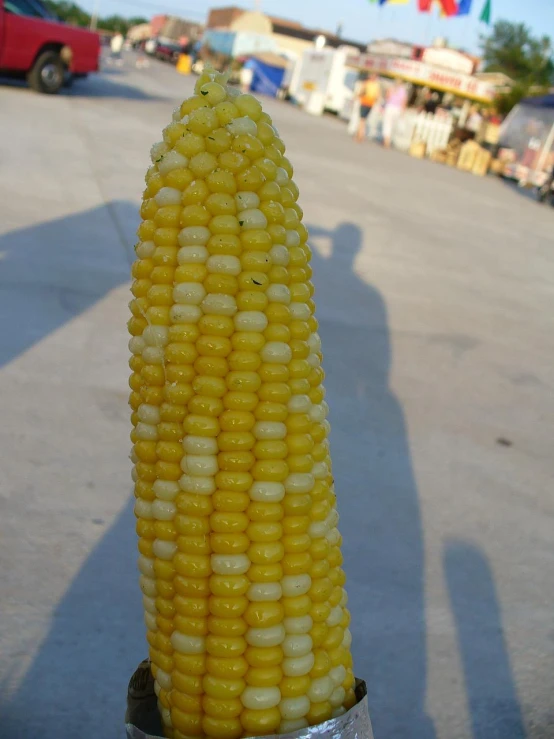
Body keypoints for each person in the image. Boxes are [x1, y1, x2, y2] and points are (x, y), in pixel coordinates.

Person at [356, 73, 381, 143]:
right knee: (364, 119)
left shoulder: (366, 83)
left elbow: (361, 92)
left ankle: (360, 135)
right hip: (370, 104)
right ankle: (360, 134)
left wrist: (357, 96)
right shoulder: (376, 85)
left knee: (362, 119)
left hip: (364, 102)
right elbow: (377, 96)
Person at [382, 79, 407, 148]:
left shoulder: (391, 88)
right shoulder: (403, 91)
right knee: (392, 125)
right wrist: (403, 111)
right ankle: (388, 140)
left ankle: (386, 140)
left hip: (389, 107)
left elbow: (387, 97)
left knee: (387, 124)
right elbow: (404, 101)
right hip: (397, 109)